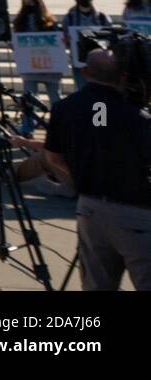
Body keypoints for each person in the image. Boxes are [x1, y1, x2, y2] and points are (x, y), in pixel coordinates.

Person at [44, 49, 151, 290]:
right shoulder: (137, 117)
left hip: (90, 209)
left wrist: (82, 174)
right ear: (123, 77)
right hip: (137, 214)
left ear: (85, 72)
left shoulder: (64, 108)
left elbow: (52, 156)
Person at [13, 0, 63, 137]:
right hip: (30, 66)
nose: (29, 6)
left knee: (55, 99)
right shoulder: (19, 22)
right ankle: (28, 128)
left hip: (50, 67)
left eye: (31, 3)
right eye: (26, 3)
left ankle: (58, 128)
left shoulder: (49, 21)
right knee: (28, 100)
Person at [61, 0, 112, 90]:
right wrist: (66, 40)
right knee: (82, 90)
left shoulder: (102, 17)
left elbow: (110, 37)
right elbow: (65, 39)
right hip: (79, 62)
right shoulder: (69, 18)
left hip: (99, 61)